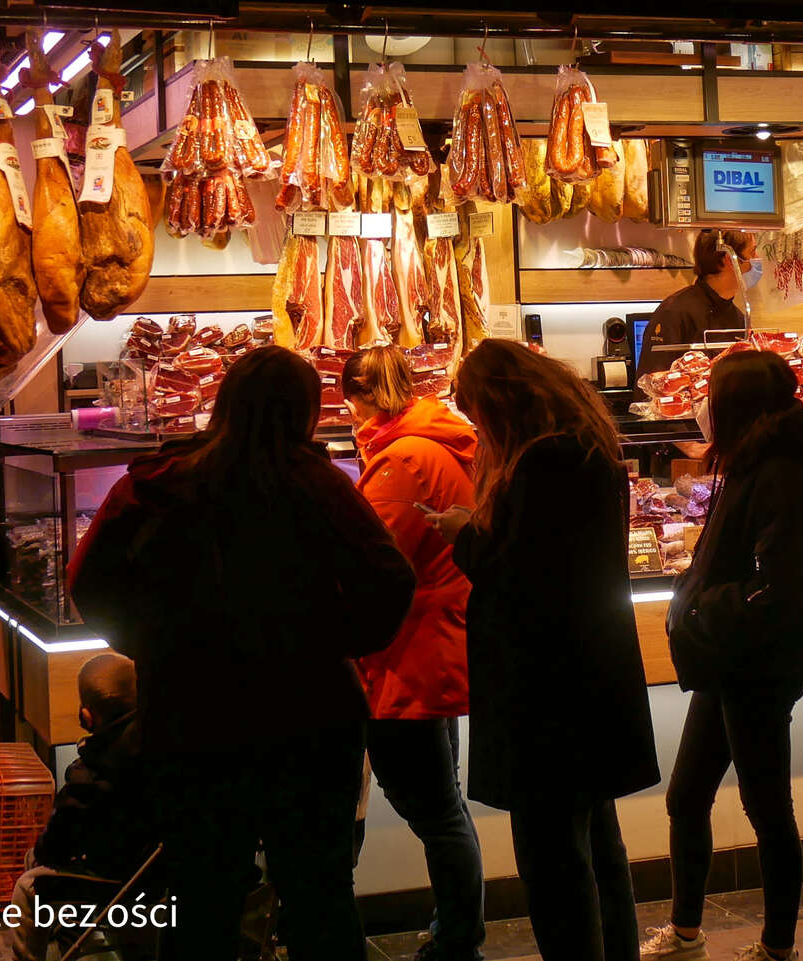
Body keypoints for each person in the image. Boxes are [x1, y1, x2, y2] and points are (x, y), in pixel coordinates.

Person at [68, 346, 417, 961]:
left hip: (191, 718)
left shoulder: (156, 482)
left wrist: (154, 646)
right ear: (305, 412)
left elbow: (86, 582)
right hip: (310, 718)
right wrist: (333, 642)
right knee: (319, 898)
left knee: (202, 899)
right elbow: (390, 580)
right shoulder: (318, 486)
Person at [427, 339, 660, 961]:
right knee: (597, 844)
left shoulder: (543, 464)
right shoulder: (588, 448)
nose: (479, 428)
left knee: (552, 858)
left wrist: (464, 534)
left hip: (546, 688)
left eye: (479, 414)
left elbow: (520, 574)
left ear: (503, 402)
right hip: (591, 674)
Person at [642, 351, 803, 961]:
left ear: (736, 407)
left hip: (758, 663)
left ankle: (777, 947)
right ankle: (685, 931)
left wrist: (706, 608)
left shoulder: (781, 473)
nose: (702, 406)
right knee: (687, 797)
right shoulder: (752, 462)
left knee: (766, 807)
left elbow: (785, 585)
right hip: (731, 657)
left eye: (711, 395)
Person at [342, 346, 486, 961]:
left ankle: (458, 941)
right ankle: (456, 934)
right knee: (442, 805)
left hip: (408, 656)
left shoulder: (403, 460)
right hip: (433, 645)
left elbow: (373, 565)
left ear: (364, 397)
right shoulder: (435, 443)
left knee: (435, 812)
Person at [10, 653, 149, 961]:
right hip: (164, 877)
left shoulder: (88, 780)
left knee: (29, 880)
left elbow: (52, 850)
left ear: (86, 717)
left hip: (116, 882)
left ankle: (64, 937)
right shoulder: (170, 753)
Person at [634, 230, 760, 381]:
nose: (757, 259)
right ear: (729, 260)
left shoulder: (739, 318)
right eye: (752, 252)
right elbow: (651, 386)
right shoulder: (674, 312)